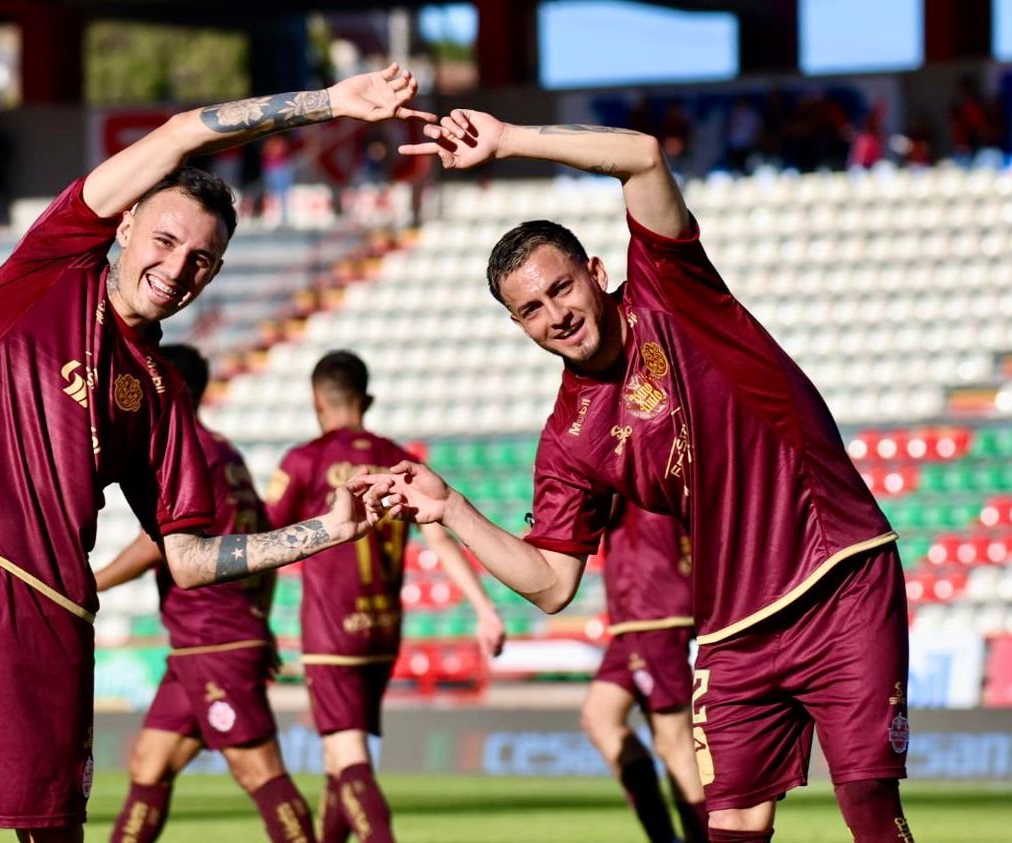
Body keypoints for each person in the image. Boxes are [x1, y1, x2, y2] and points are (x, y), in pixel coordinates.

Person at [0, 63, 432, 843]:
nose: (175, 266)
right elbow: (185, 132)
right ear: (124, 224)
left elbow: (189, 558)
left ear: (215, 273)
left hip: (52, 608)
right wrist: (330, 104)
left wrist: (323, 532)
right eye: (165, 238)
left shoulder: (160, 393)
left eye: (200, 258)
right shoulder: (50, 264)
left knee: (53, 829)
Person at [356, 109, 912, 843]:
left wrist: (508, 141)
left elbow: (643, 157)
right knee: (730, 829)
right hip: (730, 629)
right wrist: (451, 507)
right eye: (529, 309)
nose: (554, 314)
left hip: (836, 575)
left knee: (867, 804)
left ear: (595, 272)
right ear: (517, 326)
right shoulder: (566, 439)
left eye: (560, 288)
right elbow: (552, 582)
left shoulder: (670, 290)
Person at [267, 350, 505, 843]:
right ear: (367, 399)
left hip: (331, 634)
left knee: (348, 757)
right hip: (382, 632)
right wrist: (484, 609)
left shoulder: (304, 461)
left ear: (317, 403)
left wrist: (254, 620)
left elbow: (267, 543)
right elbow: (439, 535)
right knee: (339, 763)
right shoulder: (402, 462)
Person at [97, 343, 315, 843]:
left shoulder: (185, 449)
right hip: (204, 639)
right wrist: (258, 619)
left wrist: (91, 584)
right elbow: (261, 541)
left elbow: (159, 545)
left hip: (213, 637)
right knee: (149, 764)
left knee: (258, 771)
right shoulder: (224, 452)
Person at [583, 500, 706, 843]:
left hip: (652, 607)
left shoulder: (632, 453)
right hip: (637, 613)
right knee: (600, 718)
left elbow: (590, 501)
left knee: (674, 740)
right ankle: (665, 838)